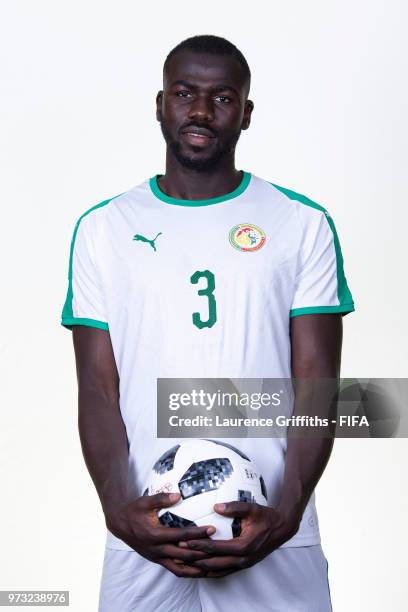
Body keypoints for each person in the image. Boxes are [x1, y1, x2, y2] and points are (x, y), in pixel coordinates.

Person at [61, 34, 354, 611]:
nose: (199, 111)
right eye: (184, 93)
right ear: (159, 104)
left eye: (221, 97)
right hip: (145, 528)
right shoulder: (103, 228)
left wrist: (288, 513)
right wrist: (119, 511)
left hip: (273, 526)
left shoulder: (302, 224)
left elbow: (319, 387)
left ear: (246, 114)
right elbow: (97, 389)